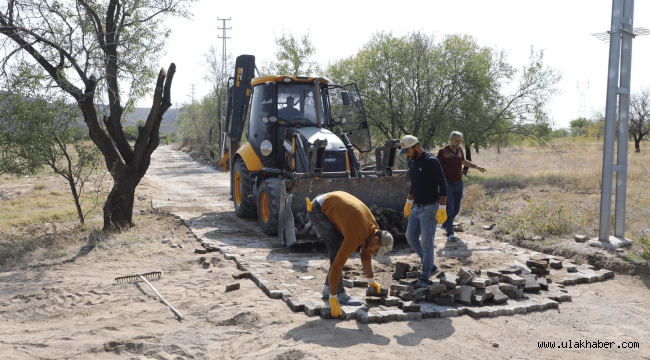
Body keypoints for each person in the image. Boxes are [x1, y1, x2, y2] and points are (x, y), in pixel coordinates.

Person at [306, 191, 394, 318]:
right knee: (337, 251)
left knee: (338, 248)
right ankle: (338, 293)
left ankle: (327, 289)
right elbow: (338, 264)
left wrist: (371, 281)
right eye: (376, 250)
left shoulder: (373, 230)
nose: (375, 253)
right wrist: (333, 298)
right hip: (318, 210)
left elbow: (365, 254)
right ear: (375, 240)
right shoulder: (357, 233)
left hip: (330, 203)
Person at [399, 135, 448, 289]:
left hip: (430, 207)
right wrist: (409, 202)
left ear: (416, 147)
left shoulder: (431, 161)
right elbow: (414, 184)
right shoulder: (413, 161)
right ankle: (431, 265)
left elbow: (443, 184)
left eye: (408, 151)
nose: (406, 154)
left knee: (427, 244)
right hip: (417, 206)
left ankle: (425, 278)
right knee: (410, 236)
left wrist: (442, 207)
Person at [437, 131, 487, 242]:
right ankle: (450, 233)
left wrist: (477, 167)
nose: (459, 143)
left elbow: (463, 161)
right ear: (451, 140)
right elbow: (437, 167)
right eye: (457, 140)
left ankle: (446, 223)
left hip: (458, 183)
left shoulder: (459, 150)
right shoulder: (442, 151)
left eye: (460, 141)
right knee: (449, 209)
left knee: (456, 209)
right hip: (447, 183)